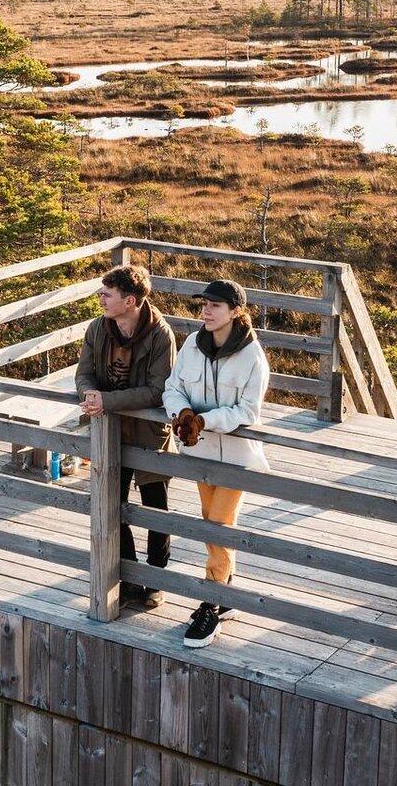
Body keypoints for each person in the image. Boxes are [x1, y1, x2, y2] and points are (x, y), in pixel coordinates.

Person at [161, 278, 269, 648]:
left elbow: (248, 411)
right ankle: (226, 594)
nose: (205, 312)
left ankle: (210, 602)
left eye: (215, 306)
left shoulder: (253, 356)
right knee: (212, 522)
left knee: (218, 525)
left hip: (235, 457)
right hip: (198, 452)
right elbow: (172, 388)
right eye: (204, 305)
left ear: (235, 311)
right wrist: (184, 412)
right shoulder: (192, 344)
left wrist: (206, 420)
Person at [75, 263, 178, 609]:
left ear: (130, 300)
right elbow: (84, 373)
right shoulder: (97, 329)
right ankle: (131, 575)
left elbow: (156, 391)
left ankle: (156, 578)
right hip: (111, 431)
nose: (100, 299)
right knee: (112, 504)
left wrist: (107, 400)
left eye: (107, 294)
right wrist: (90, 394)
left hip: (150, 433)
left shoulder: (160, 335)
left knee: (156, 507)